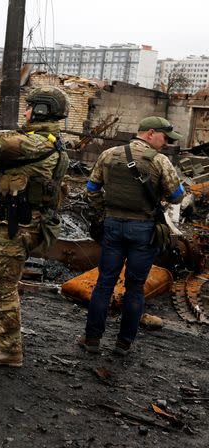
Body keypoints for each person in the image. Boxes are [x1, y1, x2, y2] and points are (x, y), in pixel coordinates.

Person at [0, 86, 71, 367]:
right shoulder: (37, 139)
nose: (25, 111)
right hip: (12, 223)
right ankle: (4, 330)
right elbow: (3, 139)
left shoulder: (39, 143)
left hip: (21, 226)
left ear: (40, 110)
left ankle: (10, 348)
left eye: (30, 106)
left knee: (1, 285)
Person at [79, 117, 185, 356]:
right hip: (143, 230)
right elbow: (177, 196)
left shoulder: (109, 154)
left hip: (113, 226)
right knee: (135, 287)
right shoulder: (160, 161)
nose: (167, 142)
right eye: (165, 137)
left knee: (104, 282)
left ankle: (92, 339)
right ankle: (123, 344)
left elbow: (92, 189)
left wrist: (103, 213)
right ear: (150, 133)